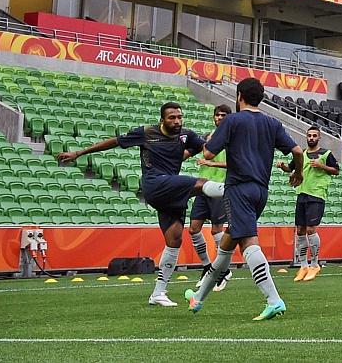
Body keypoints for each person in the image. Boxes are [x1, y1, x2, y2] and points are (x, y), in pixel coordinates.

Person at [57, 101, 226, 307]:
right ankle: (235, 192)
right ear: (162, 119)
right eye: (172, 117)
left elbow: (205, 149)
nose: (177, 121)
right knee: (201, 184)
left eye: (179, 117)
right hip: (155, 184)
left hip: (171, 192)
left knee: (174, 240)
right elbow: (114, 142)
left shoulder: (186, 135)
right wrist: (79, 153)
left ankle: (158, 292)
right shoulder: (146, 132)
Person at [185, 78, 304, 320]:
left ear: (239, 96)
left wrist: (209, 136)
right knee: (225, 248)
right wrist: (298, 172)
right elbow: (298, 151)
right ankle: (199, 299)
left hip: (238, 189)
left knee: (248, 243)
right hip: (261, 191)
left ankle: (274, 299)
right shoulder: (273, 123)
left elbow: (208, 152)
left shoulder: (232, 120)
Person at [282, 126, 338, 282]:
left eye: (314, 135)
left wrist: (322, 166)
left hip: (317, 194)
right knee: (300, 230)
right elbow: (290, 168)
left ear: (319, 138)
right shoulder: (302, 154)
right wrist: (283, 167)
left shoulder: (326, 154)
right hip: (302, 193)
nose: (311, 137)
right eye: (309, 135)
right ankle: (303, 266)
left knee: (311, 229)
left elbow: (336, 170)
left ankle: (314, 264)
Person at [188, 104, 234, 292]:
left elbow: (234, 162)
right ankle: (208, 267)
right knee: (193, 229)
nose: (219, 118)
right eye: (217, 115)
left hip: (220, 188)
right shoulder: (208, 136)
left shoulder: (232, 138)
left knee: (217, 230)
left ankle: (223, 270)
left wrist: (209, 162)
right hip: (202, 187)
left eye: (223, 115)